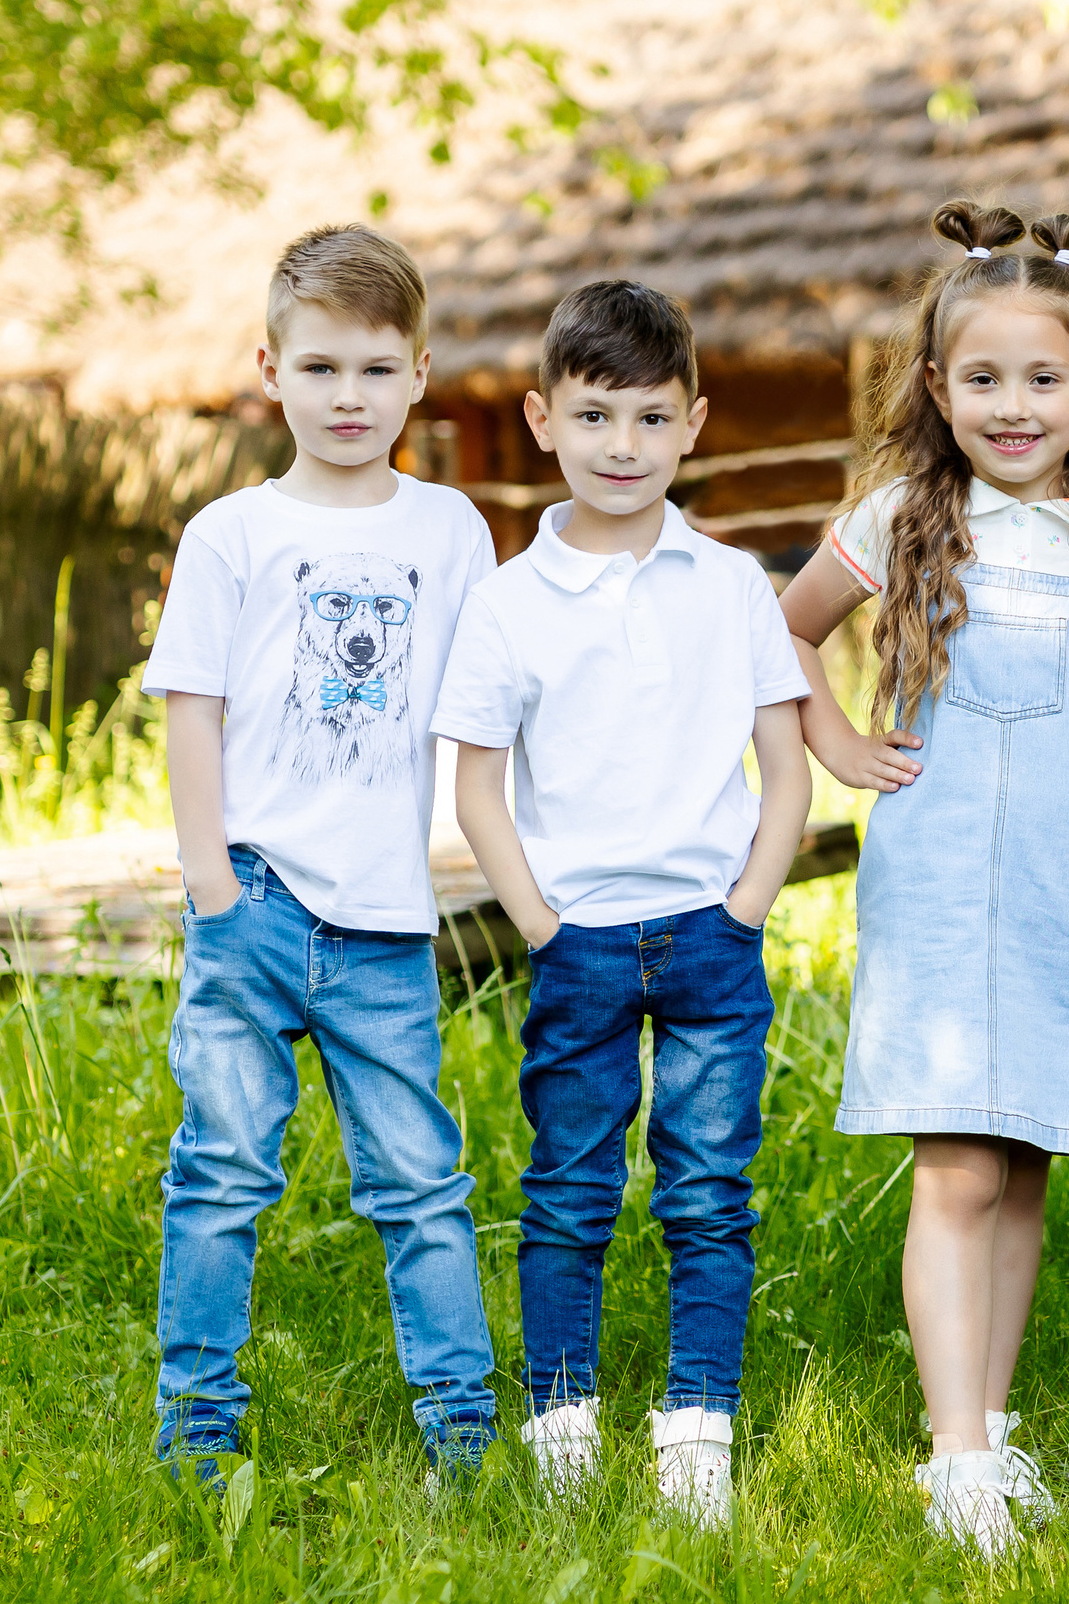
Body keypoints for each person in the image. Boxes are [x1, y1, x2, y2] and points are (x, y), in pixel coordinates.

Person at [778, 202, 1069, 1560]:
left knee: (1022, 1166)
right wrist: (836, 739)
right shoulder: (903, 514)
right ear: (937, 386)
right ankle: (952, 1461)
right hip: (945, 888)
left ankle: (992, 1428)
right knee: (954, 1162)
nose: (1013, 407)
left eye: (1043, 379)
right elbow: (777, 631)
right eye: (983, 379)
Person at [433, 280, 812, 1528]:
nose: (622, 448)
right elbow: (478, 784)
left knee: (709, 1188)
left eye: (651, 420)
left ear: (694, 422)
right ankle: (562, 1424)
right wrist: (542, 922)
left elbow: (783, 756)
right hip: (581, 941)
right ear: (542, 418)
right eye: (595, 417)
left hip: (711, 935)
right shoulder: (507, 601)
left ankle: (697, 1429)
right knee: (571, 1185)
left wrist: (748, 899)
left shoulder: (731, 582)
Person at [145, 224, 499, 1487]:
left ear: (415, 374)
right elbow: (194, 708)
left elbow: (488, 701)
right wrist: (211, 883)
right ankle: (196, 1425)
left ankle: (463, 1427)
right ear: (270, 369)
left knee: (419, 1183)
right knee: (222, 1172)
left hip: (385, 920)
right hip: (254, 898)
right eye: (319, 369)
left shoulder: (451, 530)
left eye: (372, 370)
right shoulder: (230, 534)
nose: (346, 398)